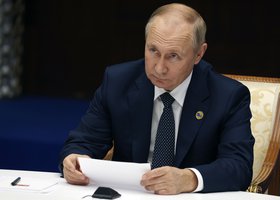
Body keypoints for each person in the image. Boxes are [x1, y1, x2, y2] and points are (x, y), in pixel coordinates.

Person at [59, 3, 254, 195]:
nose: (159, 68)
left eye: (174, 56)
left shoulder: (228, 96)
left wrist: (189, 178)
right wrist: (74, 159)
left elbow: (239, 166)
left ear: (199, 54)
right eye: (153, 51)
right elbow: (84, 141)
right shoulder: (118, 82)